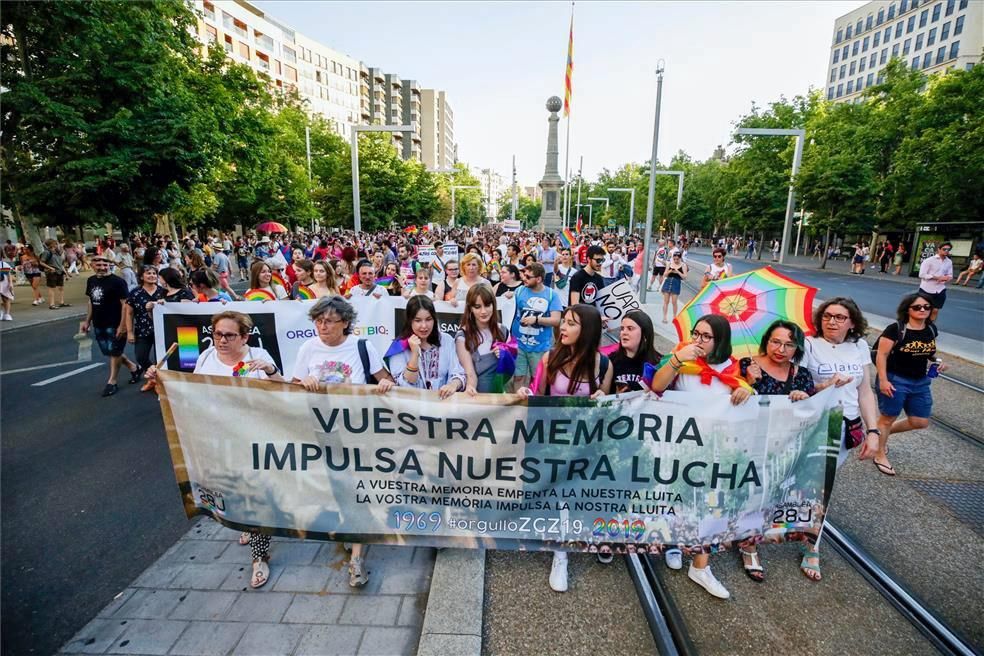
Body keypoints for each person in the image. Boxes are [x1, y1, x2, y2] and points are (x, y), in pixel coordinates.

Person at [291, 296, 395, 587]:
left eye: (329, 321)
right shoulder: (308, 348)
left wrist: (386, 384)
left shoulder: (362, 347)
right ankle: (355, 529)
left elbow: (385, 379)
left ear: (346, 323)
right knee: (339, 486)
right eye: (318, 321)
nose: (322, 326)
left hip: (357, 431)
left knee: (355, 487)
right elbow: (294, 386)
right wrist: (305, 385)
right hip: (324, 430)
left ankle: (357, 559)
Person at [648, 314, 754, 599]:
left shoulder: (733, 367)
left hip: (716, 448)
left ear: (719, 340)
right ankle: (673, 544)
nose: (698, 340)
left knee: (711, 505)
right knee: (677, 499)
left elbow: (742, 397)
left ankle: (700, 566)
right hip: (681, 445)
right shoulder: (683, 356)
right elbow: (657, 386)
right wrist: (677, 359)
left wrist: (745, 390)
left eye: (706, 336)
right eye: (696, 333)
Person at [518, 304, 613, 592]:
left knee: (574, 500)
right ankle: (561, 555)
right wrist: (525, 394)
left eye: (572, 323)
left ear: (587, 331)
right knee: (560, 500)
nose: (563, 327)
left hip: (585, 447)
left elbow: (608, 411)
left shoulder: (604, 365)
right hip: (553, 443)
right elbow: (539, 396)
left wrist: (601, 400)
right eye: (565, 322)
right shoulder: (549, 358)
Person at [801, 297, 880, 582]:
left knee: (823, 487)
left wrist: (874, 431)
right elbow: (798, 385)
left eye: (839, 317)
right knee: (806, 483)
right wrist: (823, 386)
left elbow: (865, 392)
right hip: (814, 422)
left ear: (852, 322)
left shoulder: (859, 347)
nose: (832, 321)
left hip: (846, 425)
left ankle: (813, 544)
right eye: (827, 316)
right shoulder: (808, 345)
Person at [737, 320, 816, 582]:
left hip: (785, 449)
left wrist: (804, 399)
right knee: (751, 494)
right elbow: (728, 403)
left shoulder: (802, 375)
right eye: (775, 341)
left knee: (773, 495)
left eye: (789, 344)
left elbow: (812, 413)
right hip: (751, 444)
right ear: (766, 342)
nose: (781, 349)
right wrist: (748, 382)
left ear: (797, 348)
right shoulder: (747, 364)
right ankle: (748, 546)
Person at [872, 293, 943, 476]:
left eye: (926, 307)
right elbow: (881, 355)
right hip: (895, 379)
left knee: (920, 421)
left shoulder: (931, 329)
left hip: (920, 382)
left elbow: (927, 352)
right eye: (917, 307)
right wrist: (883, 380)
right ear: (907, 309)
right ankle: (879, 453)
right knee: (887, 418)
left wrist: (937, 361)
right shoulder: (895, 329)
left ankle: (877, 435)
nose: (922, 310)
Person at [81, 255, 141, 397]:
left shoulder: (118, 282)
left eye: (105, 264)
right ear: (92, 266)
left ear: (110, 265)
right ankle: (134, 368)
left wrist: (123, 326)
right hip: (99, 322)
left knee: (114, 351)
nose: (102, 267)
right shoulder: (91, 281)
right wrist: (87, 321)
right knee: (110, 351)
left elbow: (125, 305)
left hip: (114, 323)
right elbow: (91, 301)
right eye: (98, 264)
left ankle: (112, 381)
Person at [387, 295, 466, 396]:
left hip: (443, 404)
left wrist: (452, 385)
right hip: (412, 408)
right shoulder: (399, 346)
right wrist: (415, 353)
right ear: (409, 321)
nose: (424, 326)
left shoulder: (446, 340)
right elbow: (405, 384)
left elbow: (458, 373)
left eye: (428, 319)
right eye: (418, 320)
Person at [510, 263, 562, 390]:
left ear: (538, 279)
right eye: (524, 275)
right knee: (518, 377)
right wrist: (508, 297)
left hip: (539, 347)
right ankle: (519, 405)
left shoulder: (551, 295)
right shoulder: (520, 290)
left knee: (537, 380)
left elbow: (556, 320)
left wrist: (537, 320)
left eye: (528, 277)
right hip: (519, 344)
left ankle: (533, 407)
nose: (524, 279)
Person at [456, 285, 513, 394]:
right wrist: (470, 388)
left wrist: (506, 358)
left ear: (493, 305)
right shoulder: (462, 336)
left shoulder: (503, 331)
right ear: (470, 308)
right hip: (476, 400)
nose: (483, 311)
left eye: (487, 305)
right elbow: (470, 375)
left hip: (500, 399)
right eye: (477, 307)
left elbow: (510, 374)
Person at [125, 265, 167, 391]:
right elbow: (129, 313)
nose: (152, 276)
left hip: (161, 330)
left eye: (154, 273)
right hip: (143, 330)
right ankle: (153, 378)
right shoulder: (135, 293)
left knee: (161, 359)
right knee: (141, 357)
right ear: (141, 276)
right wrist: (130, 332)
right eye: (148, 273)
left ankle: (160, 383)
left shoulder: (163, 291)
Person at [609, 310, 661, 394]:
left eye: (630, 328)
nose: (624, 333)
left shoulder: (659, 362)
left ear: (644, 333)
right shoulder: (610, 361)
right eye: (622, 328)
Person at [917, 242, 953, 322]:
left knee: (935, 310)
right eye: (944, 249)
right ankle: (919, 327)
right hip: (926, 289)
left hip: (940, 289)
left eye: (948, 249)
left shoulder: (949, 262)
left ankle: (930, 327)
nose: (946, 251)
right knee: (922, 310)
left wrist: (946, 278)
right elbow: (922, 274)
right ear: (939, 249)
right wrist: (935, 277)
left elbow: (950, 275)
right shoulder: (929, 261)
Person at [660, 252, 688, 323]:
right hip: (668, 282)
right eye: (674, 259)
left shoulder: (683, 265)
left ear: (680, 258)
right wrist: (670, 271)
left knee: (674, 302)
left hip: (676, 283)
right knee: (666, 301)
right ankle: (664, 317)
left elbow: (685, 277)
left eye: (677, 259)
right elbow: (665, 274)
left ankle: (674, 316)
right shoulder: (669, 264)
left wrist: (677, 271)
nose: (675, 261)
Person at [40, 239, 67, 309]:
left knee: (61, 287)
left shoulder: (57, 252)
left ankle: (61, 302)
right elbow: (41, 262)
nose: (56, 244)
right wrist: (51, 268)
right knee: (52, 288)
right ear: (51, 244)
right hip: (52, 272)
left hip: (59, 272)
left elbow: (60, 264)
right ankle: (52, 304)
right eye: (55, 243)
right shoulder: (46, 252)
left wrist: (66, 273)